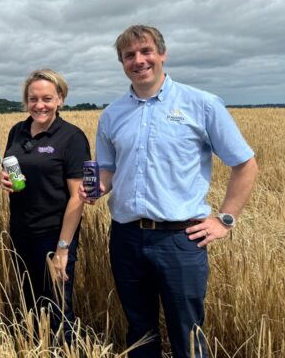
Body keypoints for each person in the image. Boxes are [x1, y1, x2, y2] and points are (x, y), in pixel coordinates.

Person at [80, 25, 258, 357]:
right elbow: (109, 170)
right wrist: (98, 188)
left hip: (180, 240)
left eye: (146, 51)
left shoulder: (201, 104)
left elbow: (245, 164)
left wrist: (225, 220)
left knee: (186, 333)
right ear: (122, 63)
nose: (139, 60)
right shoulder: (112, 114)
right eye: (129, 55)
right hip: (126, 237)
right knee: (139, 331)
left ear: (162, 54)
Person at [0, 69, 90, 344]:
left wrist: (63, 248)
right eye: (33, 99)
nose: (39, 105)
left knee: (58, 310)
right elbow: (10, 169)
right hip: (21, 232)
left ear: (60, 99)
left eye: (47, 98)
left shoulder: (72, 137)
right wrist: (7, 181)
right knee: (30, 303)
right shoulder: (17, 131)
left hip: (54, 235)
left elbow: (78, 196)